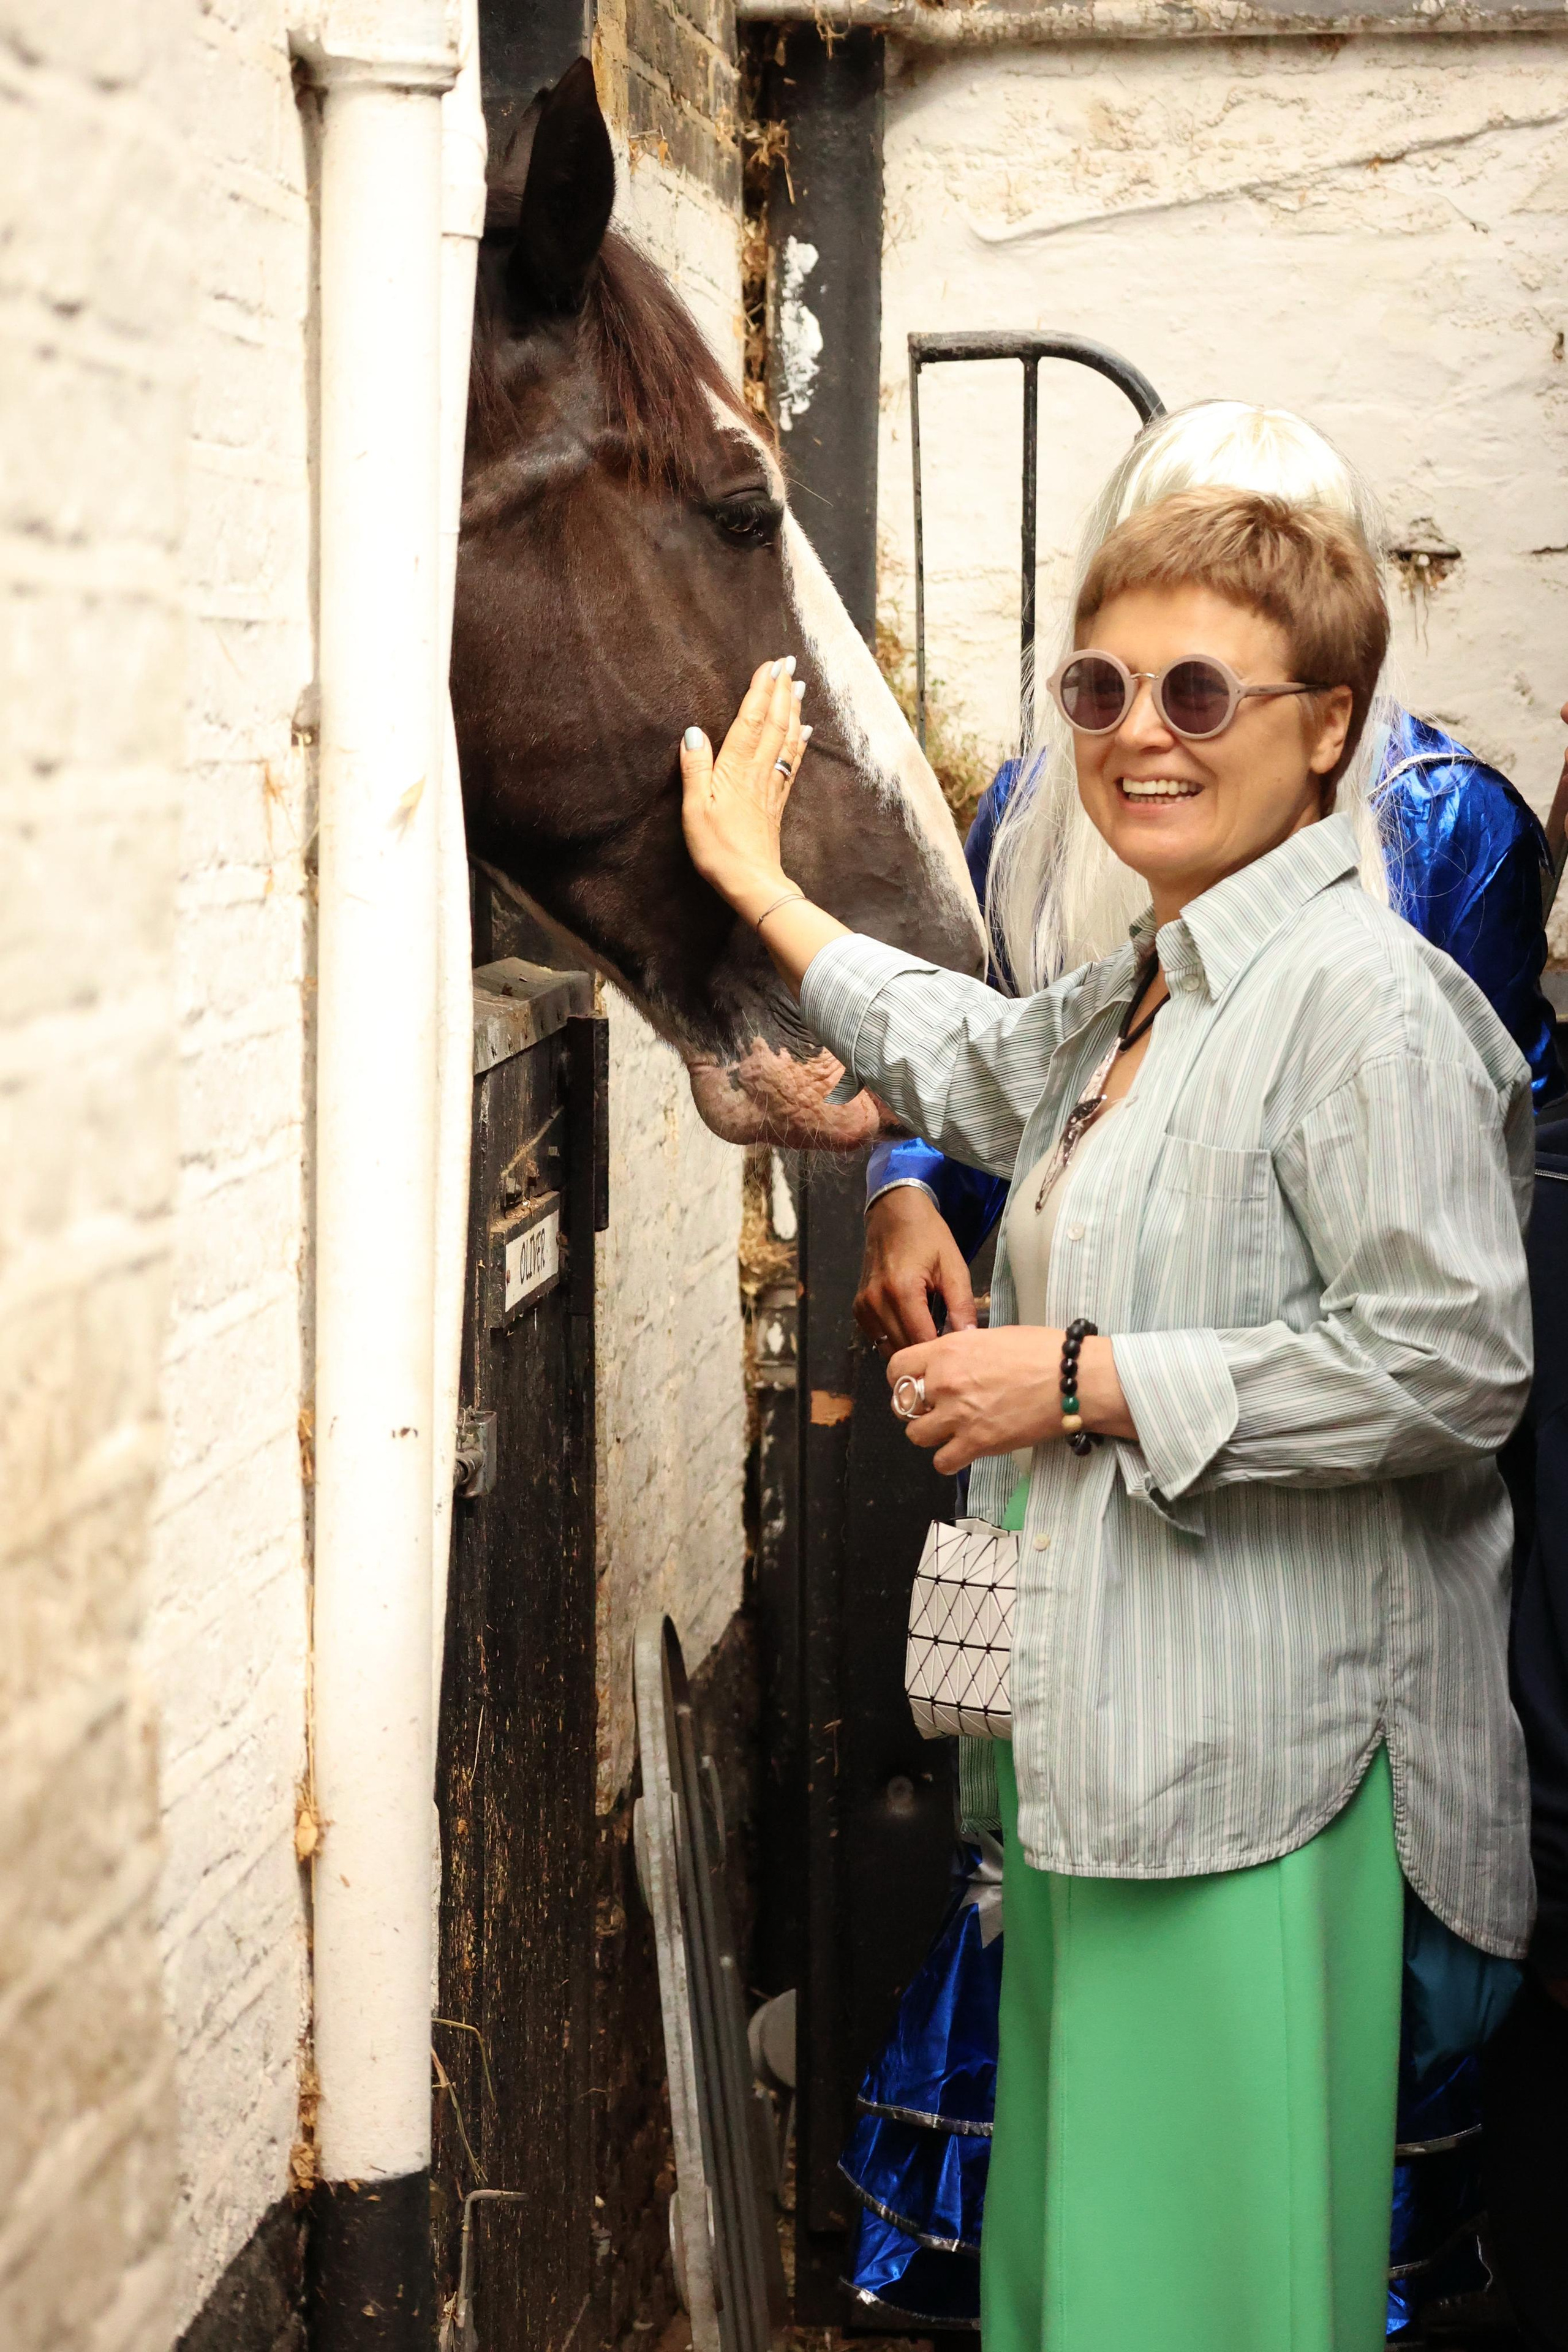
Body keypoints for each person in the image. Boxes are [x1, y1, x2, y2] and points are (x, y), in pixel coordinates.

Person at [679, 487, 1533, 2351]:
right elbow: (971, 1059)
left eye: (1201, 693)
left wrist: (1075, 1378)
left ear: (1326, 728)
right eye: (1102, 688)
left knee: (1200, 2293)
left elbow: (1455, 1358)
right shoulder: (1159, 985)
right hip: (1113, 1749)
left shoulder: (1361, 1003)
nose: (1142, 733)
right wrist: (762, 890)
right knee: (1093, 2277)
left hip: (1261, 1770)